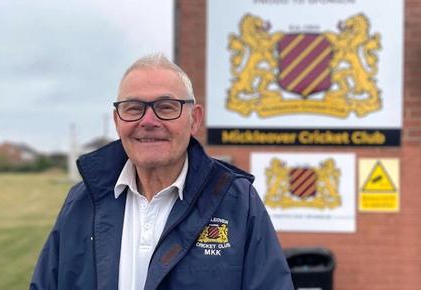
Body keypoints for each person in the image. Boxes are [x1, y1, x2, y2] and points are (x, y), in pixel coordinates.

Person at [30, 53, 294, 290]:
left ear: (195, 119)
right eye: (133, 108)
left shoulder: (236, 202)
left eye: (166, 107)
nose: (148, 121)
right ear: (117, 120)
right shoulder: (82, 202)